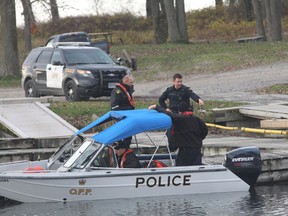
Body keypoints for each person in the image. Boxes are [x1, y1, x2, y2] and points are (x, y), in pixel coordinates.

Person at [148, 102, 208, 166]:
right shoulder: (197, 119)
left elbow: (169, 115)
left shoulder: (180, 119)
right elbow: (205, 131)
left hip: (185, 150)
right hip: (197, 149)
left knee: (180, 164)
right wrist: (198, 139)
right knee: (196, 166)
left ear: (180, 111)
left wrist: (156, 107)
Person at [110, 75, 135, 145]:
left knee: (129, 134)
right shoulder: (117, 91)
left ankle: (126, 147)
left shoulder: (127, 90)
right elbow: (114, 106)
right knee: (123, 133)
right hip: (121, 116)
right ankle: (120, 146)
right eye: (131, 82)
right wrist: (126, 111)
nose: (132, 84)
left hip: (128, 115)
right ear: (125, 81)